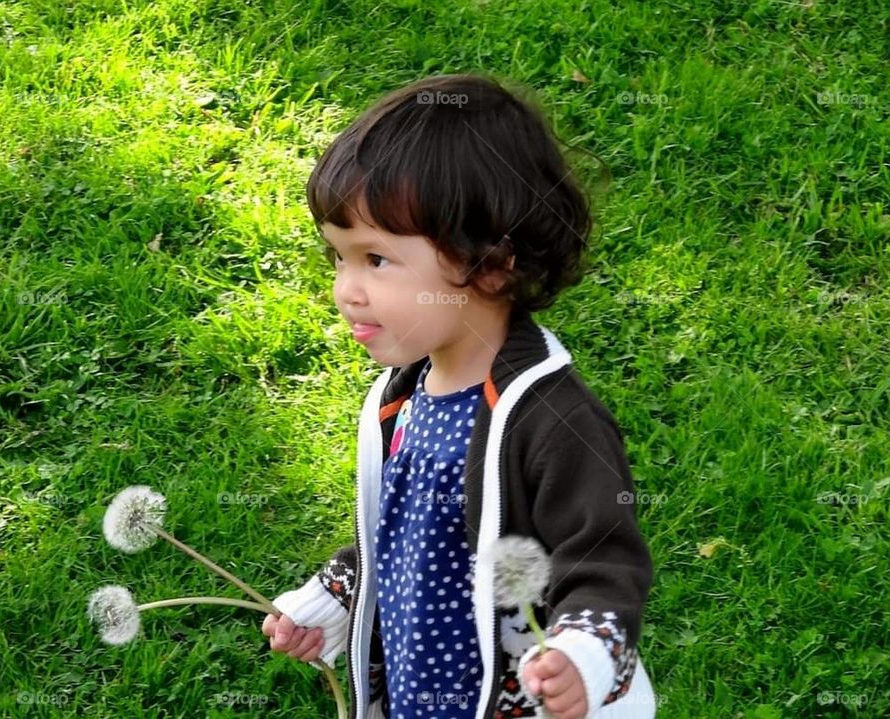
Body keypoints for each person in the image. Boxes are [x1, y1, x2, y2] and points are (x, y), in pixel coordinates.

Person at [262, 72, 656, 719]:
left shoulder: (551, 418)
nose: (346, 289)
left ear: (492, 264)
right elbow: (404, 534)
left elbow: (604, 557)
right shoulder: (404, 396)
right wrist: (335, 598)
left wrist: (582, 655)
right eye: (338, 258)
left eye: (376, 260)